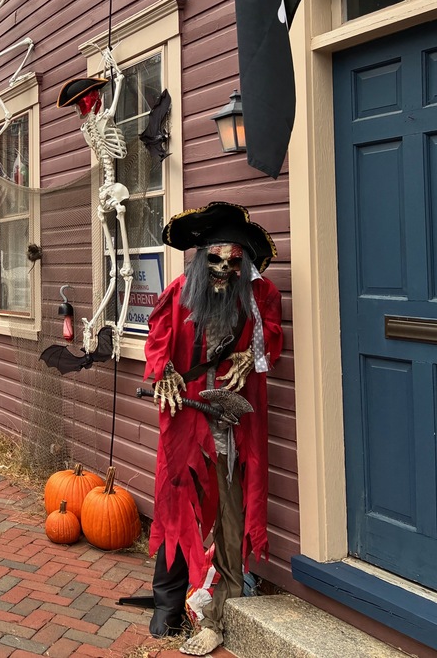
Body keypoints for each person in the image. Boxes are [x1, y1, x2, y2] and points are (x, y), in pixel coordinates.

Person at [143, 202, 283, 657]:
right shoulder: (180, 291)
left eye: (234, 262)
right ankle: (168, 600)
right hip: (185, 419)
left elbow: (272, 338)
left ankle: (219, 610)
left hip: (230, 422)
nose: (223, 270)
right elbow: (158, 339)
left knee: (227, 510)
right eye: (215, 260)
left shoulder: (260, 297)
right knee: (175, 500)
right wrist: (162, 369)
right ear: (200, 258)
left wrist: (255, 356)